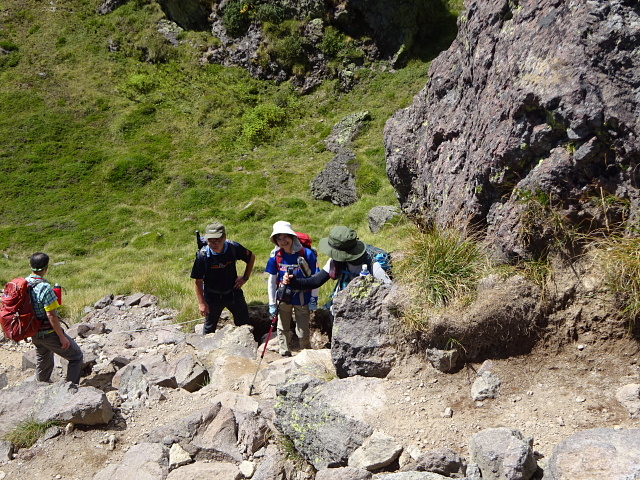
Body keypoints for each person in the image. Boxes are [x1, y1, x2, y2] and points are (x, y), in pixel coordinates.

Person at [27, 252, 84, 385]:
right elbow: (51, 315)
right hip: (48, 332)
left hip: (33, 331)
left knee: (43, 356)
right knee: (76, 357)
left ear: (31, 266)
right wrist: (61, 336)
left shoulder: (24, 283)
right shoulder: (45, 288)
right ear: (46, 268)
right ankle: (71, 388)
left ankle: (42, 385)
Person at [285, 225, 391, 296]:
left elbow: (389, 291)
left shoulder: (373, 264)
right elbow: (315, 281)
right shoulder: (336, 261)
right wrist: (293, 281)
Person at [191, 221, 256, 334]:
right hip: (212, 296)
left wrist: (245, 278)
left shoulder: (233, 247)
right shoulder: (203, 256)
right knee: (209, 327)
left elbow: (251, 257)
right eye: (210, 241)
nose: (214, 244)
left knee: (244, 323)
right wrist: (202, 303)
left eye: (217, 240)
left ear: (224, 237)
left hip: (233, 292)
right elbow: (198, 281)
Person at [265, 221, 319, 356]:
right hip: (283, 296)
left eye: (285, 237)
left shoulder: (307, 254)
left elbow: (315, 277)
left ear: (292, 237)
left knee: (303, 329)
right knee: (282, 327)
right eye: (279, 239)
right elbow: (272, 280)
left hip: (302, 297)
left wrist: (314, 298)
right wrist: (272, 302)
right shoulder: (276, 256)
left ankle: (306, 353)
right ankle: (284, 352)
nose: (283, 242)